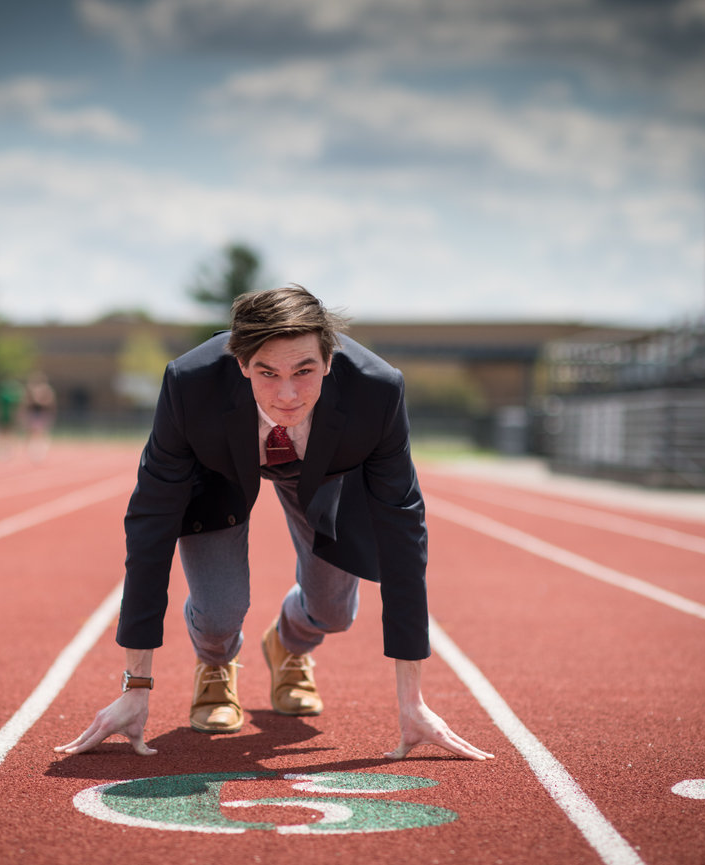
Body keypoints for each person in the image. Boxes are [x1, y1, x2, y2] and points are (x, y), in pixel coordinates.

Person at [57, 285, 491, 761]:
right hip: (219, 469)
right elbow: (150, 523)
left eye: (304, 371)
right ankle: (216, 666)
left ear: (329, 360)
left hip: (325, 470)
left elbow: (403, 528)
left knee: (334, 612)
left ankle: (287, 644)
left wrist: (413, 703)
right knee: (220, 613)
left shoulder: (377, 392)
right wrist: (136, 686)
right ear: (240, 363)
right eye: (267, 372)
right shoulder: (190, 386)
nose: (287, 394)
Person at [20, 371, 57, 462]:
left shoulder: (47, 390)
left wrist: (39, 400)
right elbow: (25, 403)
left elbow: (50, 402)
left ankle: (41, 449)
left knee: (40, 432)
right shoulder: (30, 391)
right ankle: (31, 449)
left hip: (41, 413)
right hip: (32, 413)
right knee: (31, 432)